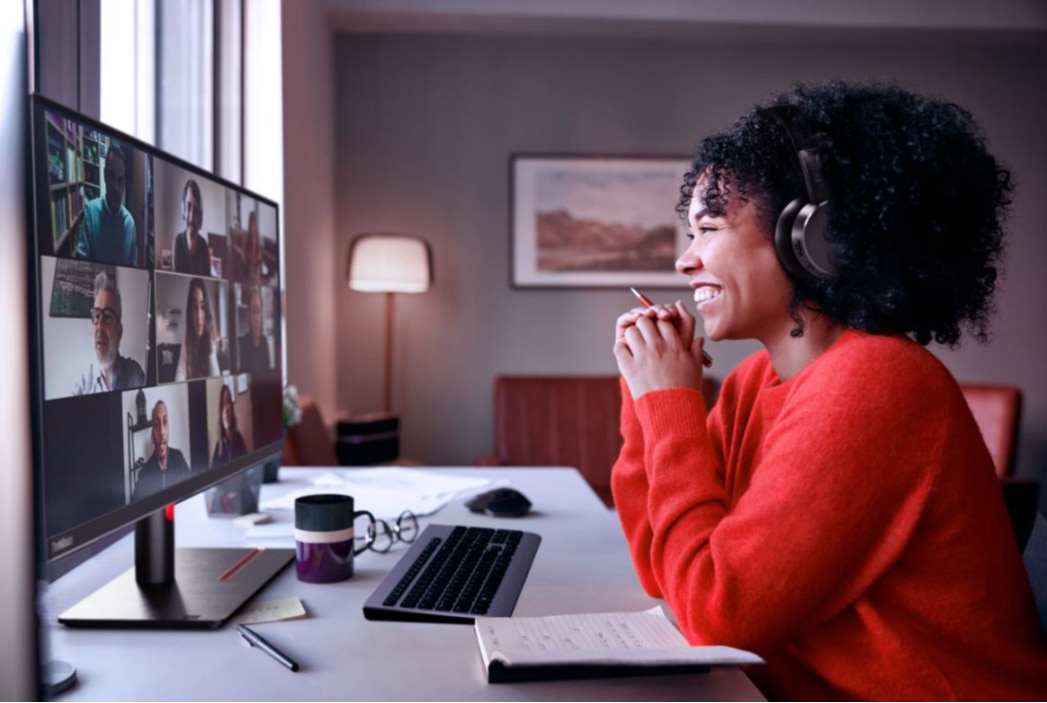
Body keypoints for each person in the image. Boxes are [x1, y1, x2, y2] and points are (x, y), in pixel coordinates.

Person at [611, 80, 1047, 700]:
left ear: (814, 238)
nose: (685, 260)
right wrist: (646, 399)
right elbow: (663, 568)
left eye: (708, 228)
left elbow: (716, 613)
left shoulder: (878, 380)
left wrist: (671, 404)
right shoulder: (753, 383)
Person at [72, 272, 145, 395]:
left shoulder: (134, 374)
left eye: (107, 317)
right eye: (96, 315)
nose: (99, 327)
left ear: (119, 332)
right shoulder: (82, 382)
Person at [74, 141, 137, 266]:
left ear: (125, 183)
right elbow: (80, 262)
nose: (115, 187)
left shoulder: (130, 224)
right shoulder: (91, 212)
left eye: (120, 180)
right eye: (111, 176)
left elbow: (134, 269)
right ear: (104, 175)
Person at [132, 400, 191, 501]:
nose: (161, 432)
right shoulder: (144, 474)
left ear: (168, 428)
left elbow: (192, 495)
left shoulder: (179, 459)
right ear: (152, 433)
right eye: (156, 424)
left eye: (165, 422)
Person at [174, 278, 221, 381]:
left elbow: (216, 378)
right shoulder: (187, 337)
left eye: (203, 307)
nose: (199, 316)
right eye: (195, 307)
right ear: (190, 311)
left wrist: (210, 344)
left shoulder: (212, 339)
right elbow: (180, 372)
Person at [172, 178, 211, 276]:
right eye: (188, 207)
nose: (191, 217)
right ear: (183, 209)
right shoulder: (178, 242)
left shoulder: (203, 245)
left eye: (196, 210)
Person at [211, 384, 248, 467]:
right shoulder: (218, 446)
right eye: (222, 405)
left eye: (227, 402)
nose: (226, 410)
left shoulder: (238, 438)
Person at [238, 284, 271, 374]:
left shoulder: (264, 342)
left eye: (258, 311)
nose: (256, 318)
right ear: (248, 314)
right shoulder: (243, 343)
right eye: (253, 311)